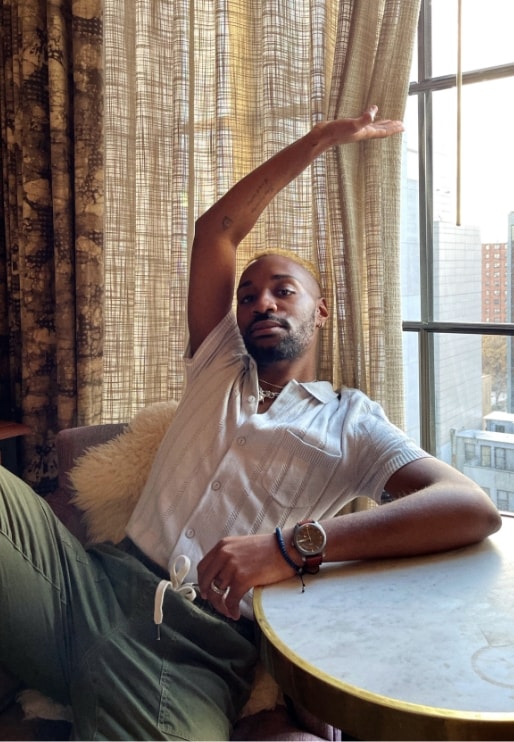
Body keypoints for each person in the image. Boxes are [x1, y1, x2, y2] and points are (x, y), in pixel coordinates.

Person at [0, 107, 501, 741]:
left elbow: (469, 507)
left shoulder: (351, 420)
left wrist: (291, 547)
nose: (260, 300)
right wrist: (322, 139)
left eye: (282, 290)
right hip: (84, 585)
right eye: (248, 294)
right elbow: (217, 231)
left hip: (195, 651)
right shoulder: (218, 362)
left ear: (320, 312)